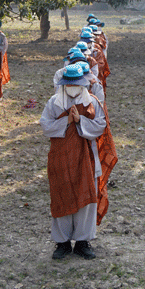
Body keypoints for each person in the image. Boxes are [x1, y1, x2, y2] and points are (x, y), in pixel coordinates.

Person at [40, 63, 107, 260]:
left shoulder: (92, 102)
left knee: (85, 197)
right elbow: (45, 126)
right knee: (62, 195)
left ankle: (82, 241)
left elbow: (100, 126)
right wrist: (66, 122)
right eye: (69, 84)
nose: (72, 87)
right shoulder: (54, 103)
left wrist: (80, 121)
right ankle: (62, 242)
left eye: (76, 84)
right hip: (61, 158)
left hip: (85, 158)